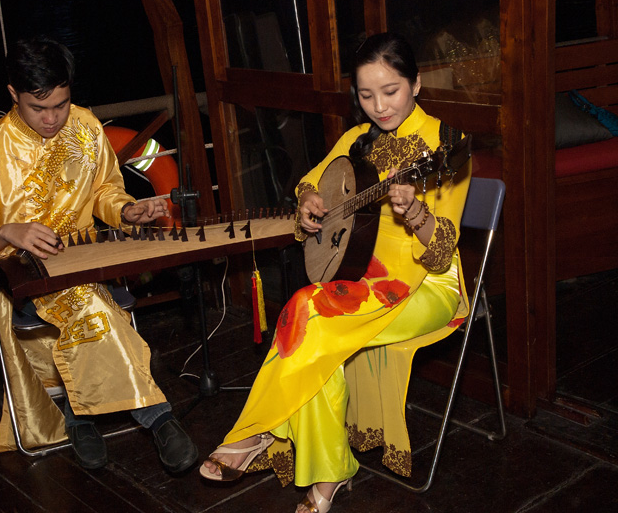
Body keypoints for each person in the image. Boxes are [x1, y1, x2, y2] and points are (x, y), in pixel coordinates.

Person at [199, 32, 472, 512]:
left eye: (391, 91)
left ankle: (263, 430)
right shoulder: (356, 140)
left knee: (309, 308)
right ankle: (329, 474)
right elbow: (312, 180)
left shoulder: (445, 145)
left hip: (424, 286)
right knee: (318, 324)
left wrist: (415, 214)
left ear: (417, 84)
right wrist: (308, 201)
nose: (379, 106)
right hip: (361, 276)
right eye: (366, 95)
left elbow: (443, 253)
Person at [0, 36, 198, 473]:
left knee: (88, 296)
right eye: (37, 108)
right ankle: (156, 417)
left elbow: (106, 189)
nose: (51, 119)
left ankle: (80, 416)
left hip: (88, 257)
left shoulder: (85, 126)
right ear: (13, 95)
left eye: (61, 105)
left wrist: (127, 209)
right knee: (91, 305)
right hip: (24, 273)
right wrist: (8, 230)